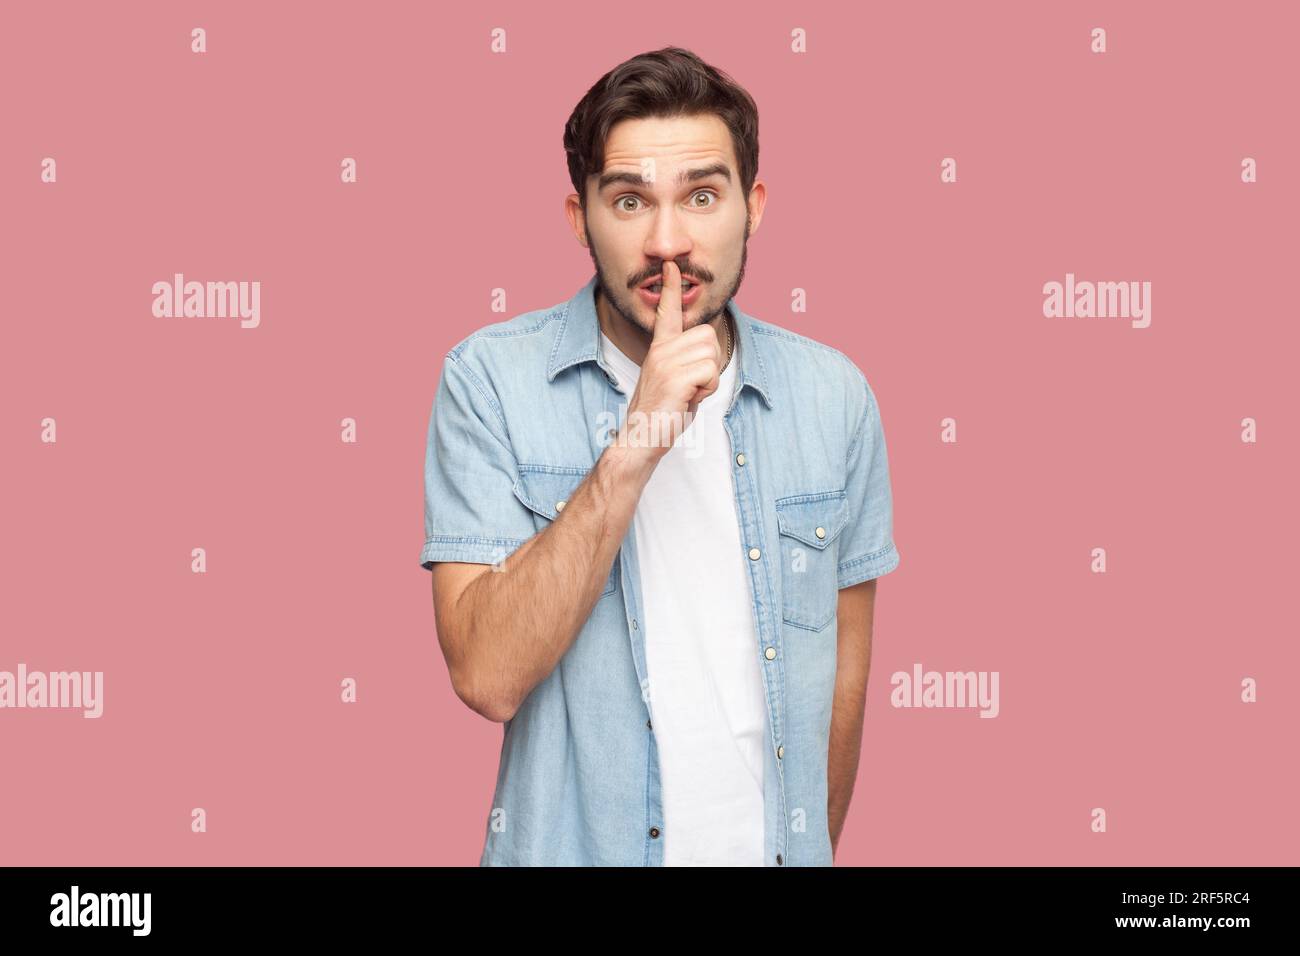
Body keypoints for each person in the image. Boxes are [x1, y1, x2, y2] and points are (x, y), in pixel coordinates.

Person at [421, 47, 899, 866]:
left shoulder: (835, 397)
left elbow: (841, 700)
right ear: (580, 217)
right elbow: (487, 675)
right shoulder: (488, 382)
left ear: (753, 207)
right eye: (631, 199)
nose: (667, 241)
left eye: (702, 196)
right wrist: (636, 439)